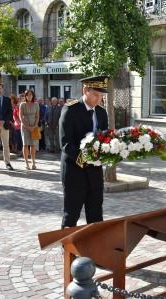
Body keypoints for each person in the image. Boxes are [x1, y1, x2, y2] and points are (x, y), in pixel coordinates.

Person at [59, 75, 109, 228]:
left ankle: (95, 248)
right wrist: (85, 160)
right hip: (75, 171)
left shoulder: (101, 112)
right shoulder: (70, 109)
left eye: (101, 96)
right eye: (95, 94)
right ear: (85, 90)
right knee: (71, 214)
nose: (99, 99)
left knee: (96, 214)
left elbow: (104, 139)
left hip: (95, 172)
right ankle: (67, 250)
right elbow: (65, 143)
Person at [19, 90, 39, 170]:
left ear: (33, 96)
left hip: (34, 126)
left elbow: (37, 116)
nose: (29, 96)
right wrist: (27, 126)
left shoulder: (36, 104)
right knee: (25, 144)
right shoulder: (22, 104)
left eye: (30, 95)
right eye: (27, 95)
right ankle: (26, 162)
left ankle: (33, 162)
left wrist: (34, 126)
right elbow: (20, 116)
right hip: (25, 126)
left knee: (33, 145)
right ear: (25, 96)